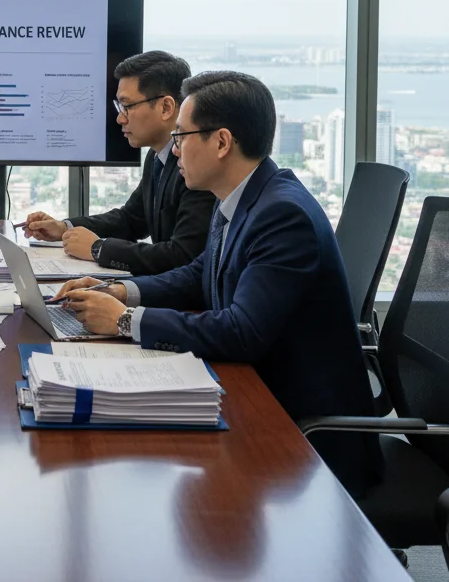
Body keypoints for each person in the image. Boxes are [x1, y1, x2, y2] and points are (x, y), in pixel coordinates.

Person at [55, 71, 382, 497]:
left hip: (302, 440)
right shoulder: (242, 196)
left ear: (222, 142)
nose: (174, 151)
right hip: (260, 403)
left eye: (181, 137)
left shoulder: (283, 216)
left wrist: (125, 321)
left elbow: (241, 332)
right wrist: (118, 292)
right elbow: (199, 274)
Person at [24, 51, 214, 274]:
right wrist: (63, 227)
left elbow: (180, 256)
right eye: (119, 107)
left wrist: (98, 249)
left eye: (128, 106)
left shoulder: (198, 166)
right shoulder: (157, 157)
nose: (120, 118)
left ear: (166, 107)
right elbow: (130, 219)